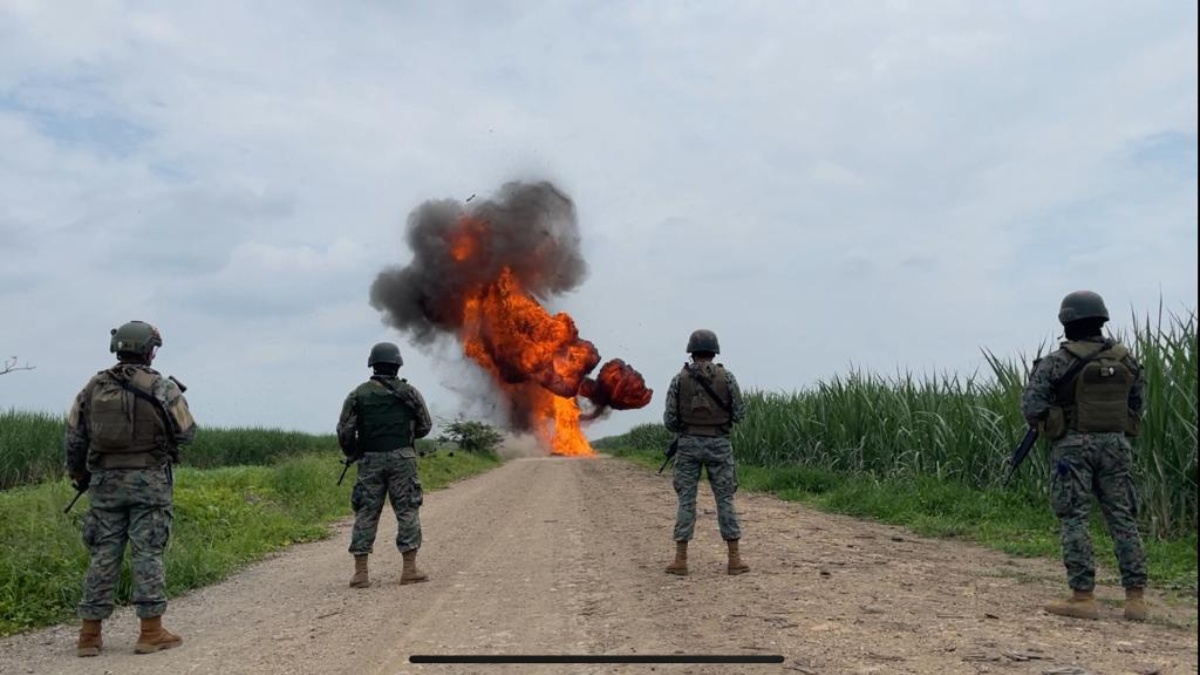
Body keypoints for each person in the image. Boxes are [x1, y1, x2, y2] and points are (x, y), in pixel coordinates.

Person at [65, 320, 196, 657]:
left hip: (104, 485)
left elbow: (75, 437)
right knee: (147, 552)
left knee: (103, 554)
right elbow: (187, 433)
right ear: (150, 351)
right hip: (149, 484)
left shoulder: (93, 387)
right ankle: (151, 632)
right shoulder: (162, 386)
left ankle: (89, 635)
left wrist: (79, 474)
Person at [1020, 290, 1148, 621]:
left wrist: (1056, 419)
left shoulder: (1056, 362)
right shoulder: (1125, 360)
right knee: (1122, 518)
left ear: (1066, 322)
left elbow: (1032, 407)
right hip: (1116, 446)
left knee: (1074, 517)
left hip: (1072, 447)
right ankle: (1135, 599)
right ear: (1101, 320)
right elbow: (1137, 405)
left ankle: (1083, 597)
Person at [337, 341, 433, 588]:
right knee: (408, 510)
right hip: (403, 459)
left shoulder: (358, 394)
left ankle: (360, 574)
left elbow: (345, 431)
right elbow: (425, 426)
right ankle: (409, 570)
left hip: (370, 460)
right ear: (397, 365)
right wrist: (404, 437)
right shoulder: (409, 393)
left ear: (373, 365)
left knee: (366, 512)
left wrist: (354, 451)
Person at [661, 329, 749, 576]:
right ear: (714, 352)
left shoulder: (679, 379)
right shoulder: (727, 377)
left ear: (691, 352)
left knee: (686, 500)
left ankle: (680, 560)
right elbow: (739, 414)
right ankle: (734, 560)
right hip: (719, 444)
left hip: (688, 445)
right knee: (725, 499)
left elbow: (670, 420)